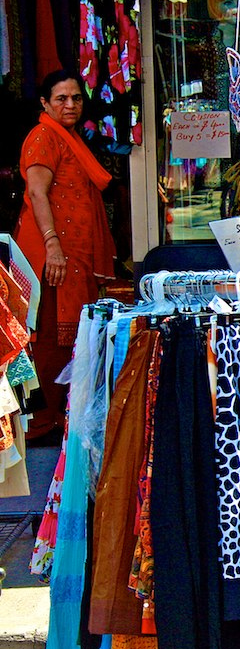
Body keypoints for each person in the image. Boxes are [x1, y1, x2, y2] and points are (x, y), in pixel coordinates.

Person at [16, 69, 117, 439]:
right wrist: (52, 245)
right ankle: (39, 422)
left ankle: (56, 417)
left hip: (71, 255)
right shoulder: (44, 136)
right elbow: (38, 193)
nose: (70, 104)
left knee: (71, 335)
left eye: (76, 97)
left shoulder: (69, 138)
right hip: (52, 254)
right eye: (61, 99)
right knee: (49, 339)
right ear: (45, 103)